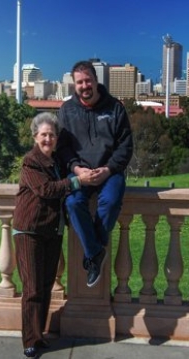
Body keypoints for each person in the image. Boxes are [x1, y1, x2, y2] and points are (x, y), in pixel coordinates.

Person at [14, 112, 94, 358]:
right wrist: (78, 181)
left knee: (46, 286)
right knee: (32, 288)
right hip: (30, 231)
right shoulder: (31, 161)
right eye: (43, 134)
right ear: (35, 136)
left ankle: (39, 335)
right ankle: (29, 340)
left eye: (51, 135)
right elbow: (46, 190)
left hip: (52, 230)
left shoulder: (57, 161)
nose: (48, 139)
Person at [57, 60, 133, 288]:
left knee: (111, 202)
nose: (84, 86)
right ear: (74, 84)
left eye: (88, 80)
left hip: (110, 172)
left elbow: (125, 146)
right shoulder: (66, 110)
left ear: (96, 80)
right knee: (72, 203)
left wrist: (108, 169)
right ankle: (95, 251)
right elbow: (62, 148)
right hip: (80, 173)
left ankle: (93, 250)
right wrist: (76, 169)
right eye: (79, 82)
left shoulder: (115, 108)